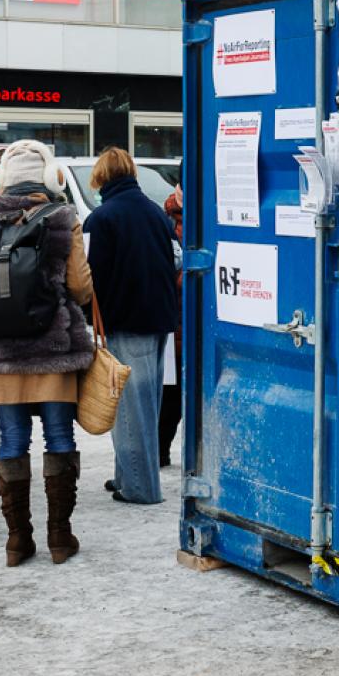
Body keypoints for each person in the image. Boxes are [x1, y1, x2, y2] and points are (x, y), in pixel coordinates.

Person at [0, 139, 95, 566]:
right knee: (58, 436)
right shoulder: (61, 216)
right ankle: (59, 537)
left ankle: (18, 541)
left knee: (12, 439)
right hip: (53, 349)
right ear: (50, 178)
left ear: (0, 181)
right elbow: (80, 286)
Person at [83, 147, 181, 505]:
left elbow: (90, 277)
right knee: (147, 404)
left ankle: (140, 487)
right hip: (160, 320)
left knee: (129, 407)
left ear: (101, 177)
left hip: (125, 321)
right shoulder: (157, 213)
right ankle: (127, 475)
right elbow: (175, 261)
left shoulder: (102, 219)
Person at [160, 185, 186, 468]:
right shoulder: (167, 220)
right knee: (172, 392)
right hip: (176, 319)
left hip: (186, 319)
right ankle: (160, 450)